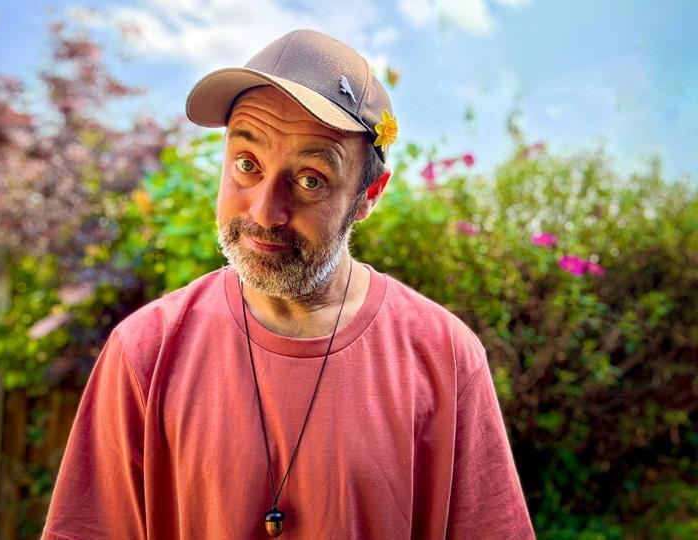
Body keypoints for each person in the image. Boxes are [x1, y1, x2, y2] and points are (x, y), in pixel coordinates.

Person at [43, 29, 534, 539]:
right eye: (247, 165)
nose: (264, 211)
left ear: (369, 194)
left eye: (310, 179)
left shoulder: (445, 357)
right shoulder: (144, 351)